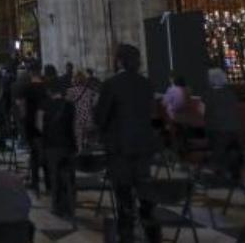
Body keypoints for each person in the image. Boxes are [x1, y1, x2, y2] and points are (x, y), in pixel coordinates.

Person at [94, 44, 160, 243]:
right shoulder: (147, 83)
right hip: (143, 146)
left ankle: (127, 234)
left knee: (123, 194)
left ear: (119, 61)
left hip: (119, 147)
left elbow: (100, 117)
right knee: (144, 190)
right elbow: (150, 113)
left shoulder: (111, 84)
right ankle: (152, 232)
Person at [42, 79, 78, 218]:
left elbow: (40, 125)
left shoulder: (45, 105)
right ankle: (70, 206)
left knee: (55, 176)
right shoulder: (69, 106)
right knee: (70, 176)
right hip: (68, 144)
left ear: (49, 91)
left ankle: (57, 207)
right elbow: (74, 126)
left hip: (51, 145)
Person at [202, 68, 243, 178]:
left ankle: (219, 170)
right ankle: (233, 172)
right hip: (234, 130)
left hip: (216, 129)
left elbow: (202, 111)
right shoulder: (231, 94)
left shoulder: (208, 94)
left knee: (216, 143)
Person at [65, 70, 100, 151]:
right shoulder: (89, 91)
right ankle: (87, 154)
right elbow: (96, 101)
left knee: (78, 141)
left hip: (76, 118)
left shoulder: (70, 91)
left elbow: (67, 103)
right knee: (88, 140)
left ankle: (80, 153)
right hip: (88, 118)